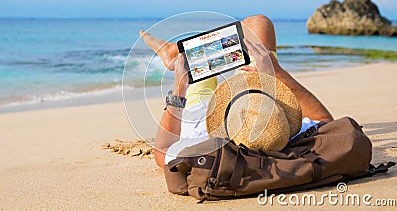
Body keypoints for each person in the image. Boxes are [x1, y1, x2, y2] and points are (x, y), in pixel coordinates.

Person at [140, 14, 333, 168]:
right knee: (258, 24)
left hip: (198, 111)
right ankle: (176, 53)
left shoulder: (201, 147)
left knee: (253, 27)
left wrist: (179, 88)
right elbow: (325, 120)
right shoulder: (279, 135)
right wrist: (276, 73)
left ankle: (175, 54)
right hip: (247, 102)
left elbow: (161, 150)